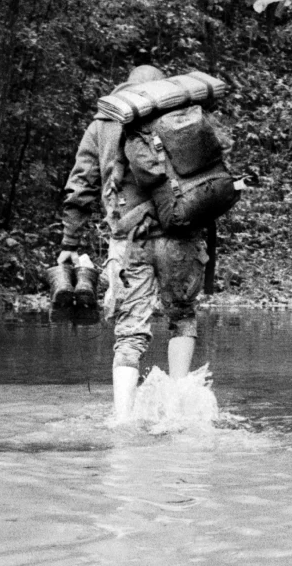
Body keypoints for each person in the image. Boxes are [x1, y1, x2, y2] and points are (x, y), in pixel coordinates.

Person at [58, 64, 209, 423]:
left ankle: (122, 420)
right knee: (182, 318)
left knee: (129, 330)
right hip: (180, 237)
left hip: (129, 242)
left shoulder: (102, 124)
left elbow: (81, 185)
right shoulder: (179, 115)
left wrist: (69, 240)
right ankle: (177, 413)